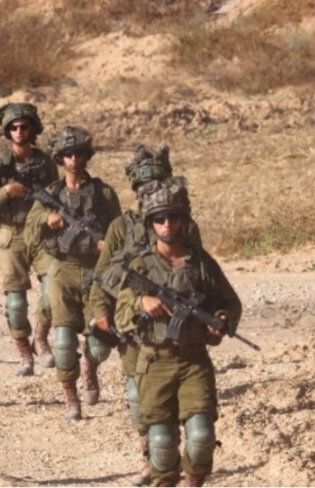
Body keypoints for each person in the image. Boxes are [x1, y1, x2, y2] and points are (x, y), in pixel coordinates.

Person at [115, 177, 241, 487]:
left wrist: (222, 319)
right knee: (161, 442)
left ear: (184, 220)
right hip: (154, 362)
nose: (167, 224)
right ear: (151, 223)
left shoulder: (201, 263)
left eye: (173, 217)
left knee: (201, 436)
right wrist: (142, 303)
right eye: (159, 218)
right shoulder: (141, 266)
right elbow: (121, 315)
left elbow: (229, 302)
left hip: (194, 361)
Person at [89, 145, 202, 485]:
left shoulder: (182, 227)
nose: (150, 190)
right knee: (139, 396)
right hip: (134, 321)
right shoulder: (120, 228)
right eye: (143, 186)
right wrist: (101, 311)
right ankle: (151, 459)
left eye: (157, 183)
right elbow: (102, 275)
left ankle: (178, 461)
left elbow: (201, 272)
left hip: (175, 326)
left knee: (184, 401)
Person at [24, 126, 121, 421]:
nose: (74, 160)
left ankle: (90, 368)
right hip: (62, 269)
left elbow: (121, 232)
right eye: (68, 154)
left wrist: (108, 243)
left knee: (100, 345)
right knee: (64, 343)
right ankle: (70, 397)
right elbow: (29, 232)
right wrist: (47, 218)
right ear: (59, 158)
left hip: (96, 271)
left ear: (87, 156)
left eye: (79, 153)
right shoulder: (51, 194)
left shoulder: (103, 193)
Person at [0, 103, 59, 376]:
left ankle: (41, 338)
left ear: (33, 129)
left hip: (42, 235)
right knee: (16, 304)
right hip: (11, 235)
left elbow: (58, 196)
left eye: (24, 127)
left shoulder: (46, 163)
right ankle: (24, 351)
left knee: (52, 293)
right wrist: (7, 192)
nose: (19, 131)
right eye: (13, 127)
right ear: (7, 131)